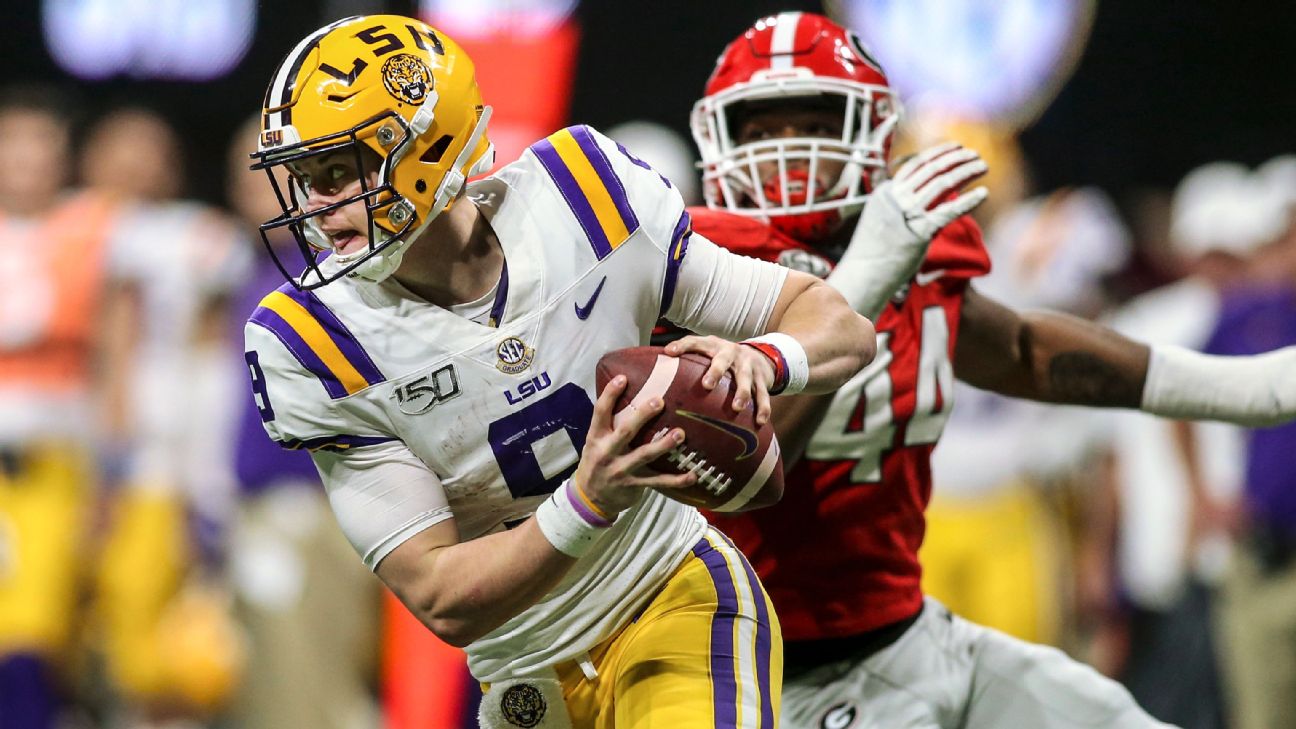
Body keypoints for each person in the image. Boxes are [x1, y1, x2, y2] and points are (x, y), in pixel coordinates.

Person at [241, 15, 973, 728]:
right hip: (523, 676)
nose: (317, 207)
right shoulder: (308, 343)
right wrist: (590, 497)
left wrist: (763, 358)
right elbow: (440, 597)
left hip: (669, 595)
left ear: (426, 148)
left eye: (338, 172)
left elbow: (837, 323)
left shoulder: (582, 197)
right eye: (303, 178)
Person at [679, 12, 1296, 729]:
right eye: (760, 130)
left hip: (907, 631)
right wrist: (866, 276)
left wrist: (1249, 388)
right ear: (718, 139)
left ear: (872, 133)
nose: (786, 153)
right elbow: (741, 472)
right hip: (769, 665)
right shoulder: (700, 274)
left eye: (812, 123)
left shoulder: (917, 253)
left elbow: (1024, 351)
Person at [0, 85, 118, 729]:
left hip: (53, 454)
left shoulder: (95, 225)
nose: (27, 160)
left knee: (37, 621)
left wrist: (113, 463)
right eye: (13, 143)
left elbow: (114, 352)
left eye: (42, 145)